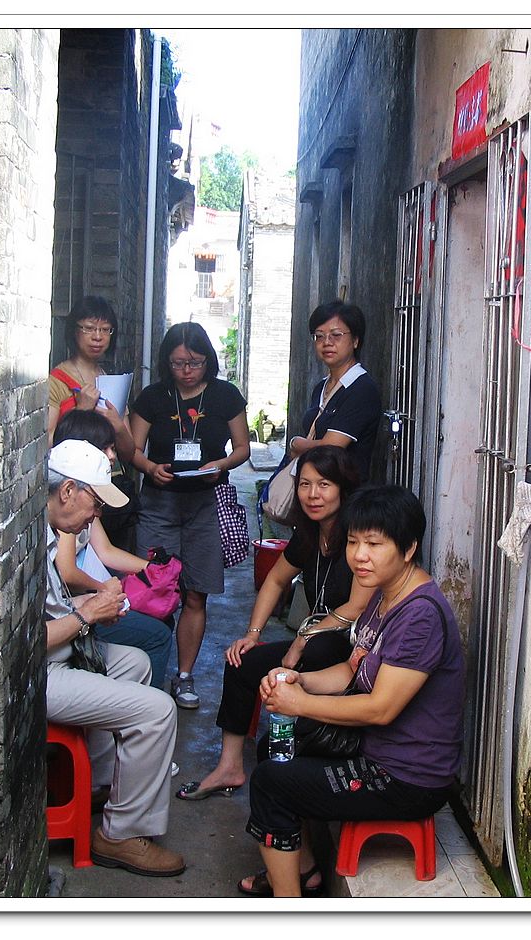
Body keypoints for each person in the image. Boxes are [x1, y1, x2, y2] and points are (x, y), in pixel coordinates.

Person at [237, 484, 464, 897]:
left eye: (374, 544)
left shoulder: (419, 615)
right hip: (375, 749)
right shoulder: (385, 593)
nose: (360, 555)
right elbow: (349, 670)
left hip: (406, 777)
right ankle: (304, 869)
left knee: (271, 783)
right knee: (275, 746)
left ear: (408, 548)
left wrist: (301, 703)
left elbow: (380, 709)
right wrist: (300, 681)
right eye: (354, 542)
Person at [176, 445, 374, 802]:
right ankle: (229, 767)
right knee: (241, 662)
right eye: (305, 484)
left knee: (316, 650)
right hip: (315, 642)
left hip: (354, 648)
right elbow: (275, 580)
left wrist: (303, 637)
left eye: (324, 484)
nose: (313, 495)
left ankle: (301, 741)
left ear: (343, 488)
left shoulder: (357, 535)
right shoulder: (310, 534)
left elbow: (357, 606)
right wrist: (252, 634)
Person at [41, 439, 184, 876]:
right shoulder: (18, 544)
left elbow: (54, 607)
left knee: (135, 662)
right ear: (68, 491)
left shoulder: (48, 529)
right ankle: (121, 834)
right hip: (36, 674)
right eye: (95, 503)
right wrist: (86, 613)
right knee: (159, 710)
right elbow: (22, 642)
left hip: (61, 651)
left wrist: (90, 607)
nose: (96, 515)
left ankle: (100, 784)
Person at [129, 322, 251, 709]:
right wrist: (150, 468)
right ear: (166, 362)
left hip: (205, 503)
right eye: (178, 363)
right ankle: (146, 674)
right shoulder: (153, 397)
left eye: (195, 362)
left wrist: (221, 465)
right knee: (153, 589)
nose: (186, 370)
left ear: (207, 360)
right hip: (159, 504)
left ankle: (184, 676)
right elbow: (132, 449)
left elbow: (243, 448)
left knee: (196, 593)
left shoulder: (225, 395)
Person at [51, 409, 173, 691]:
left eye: (112, 448)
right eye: (105, 448)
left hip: (82, 603)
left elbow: (105, 550)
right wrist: (103, 591)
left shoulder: (84, 502)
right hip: (73, 611)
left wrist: (151, 569)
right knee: (158, 635)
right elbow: (67, 572)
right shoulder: (66, 514)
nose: (112, 455)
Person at [48, 296, 139, 549]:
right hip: (76, 491)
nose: (97, 337)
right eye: (89, 328)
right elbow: (48, 443)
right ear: (73, 331)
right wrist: (81, 410)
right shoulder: (56, 381)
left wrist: (117, 424)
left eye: (105, 330)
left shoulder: (112, 382)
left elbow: (129, 452)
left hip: (110, 486)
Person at [283, 300, 382, 482]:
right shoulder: (321, 387)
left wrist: (296, 443)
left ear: (355, 341)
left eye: (336, 335)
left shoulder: (362, 389)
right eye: (319, 336)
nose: (327, 342)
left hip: (345, 490)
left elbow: (331, 447)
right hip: (315, 486)